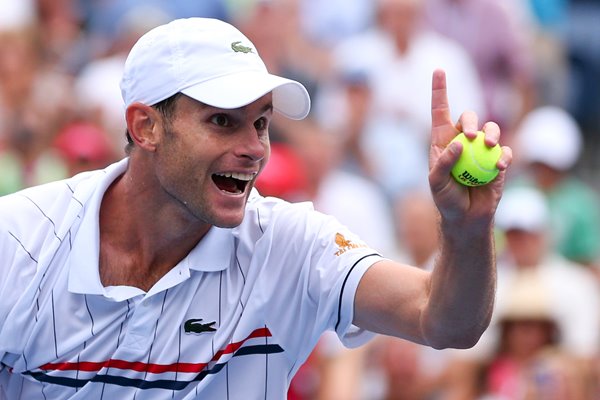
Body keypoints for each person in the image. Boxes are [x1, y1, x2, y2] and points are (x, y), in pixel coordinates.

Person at [0, 17, 511, 399]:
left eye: (262, 123)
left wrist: (467, 227)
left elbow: (445, 322)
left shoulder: (293, 243)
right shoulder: (16, 238)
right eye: (224, 121)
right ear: (144, 127)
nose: (255, 148)